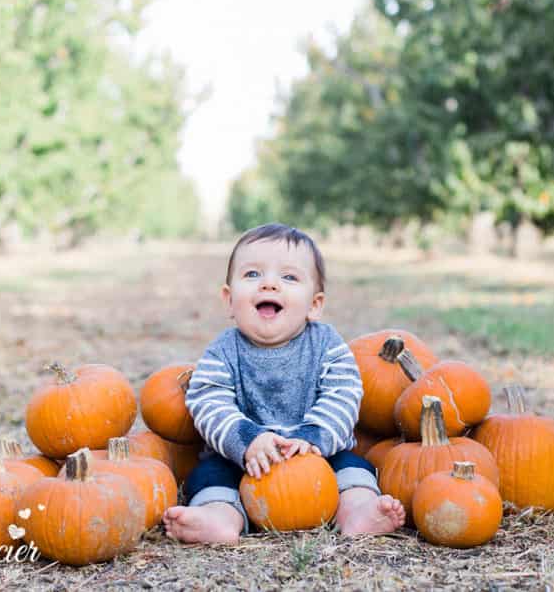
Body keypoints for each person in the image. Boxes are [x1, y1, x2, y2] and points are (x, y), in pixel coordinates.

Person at [162, 223, 405, 543]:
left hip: (318, 455)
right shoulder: (222, 350)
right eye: (252, 275)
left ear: (314, 305)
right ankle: (218, 519)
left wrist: (314, 437)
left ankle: (358, 511)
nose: (269, 285)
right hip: (242, 460)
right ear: (229, 299)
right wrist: (247, 441)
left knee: (353, 471)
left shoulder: (327, 344)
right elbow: (208, 401)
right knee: (210, 478)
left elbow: (344, 394)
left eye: (289, 277)